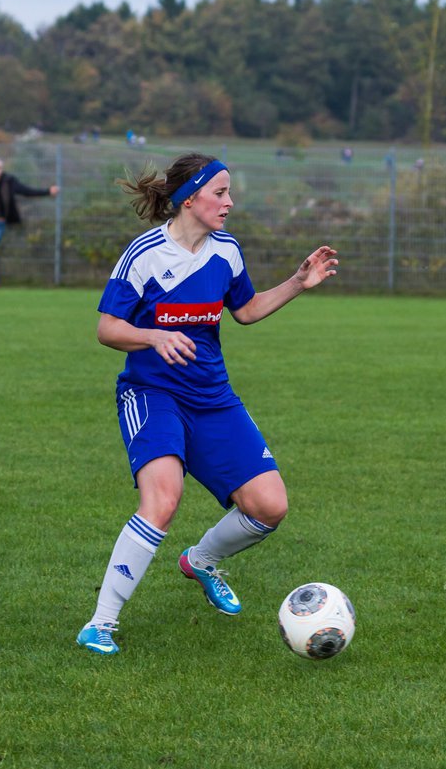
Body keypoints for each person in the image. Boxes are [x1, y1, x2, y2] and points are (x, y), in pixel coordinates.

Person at [76, 153, 339, 656]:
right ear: (190, 197)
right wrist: (154, 337)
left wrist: (297, 284)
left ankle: (200, 560)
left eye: (229, 191)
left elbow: (245, 310)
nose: (229, 201)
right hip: (152, 395)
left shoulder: (227, 252)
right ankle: (101, 623)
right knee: (163, 500)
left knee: (269, 507)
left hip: (213, 397)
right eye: (220, 192)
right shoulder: (144, 254)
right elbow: (107, 329)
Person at [0, 157, 59, 287]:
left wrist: (47, 191)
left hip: (0, 224)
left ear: (2, 169)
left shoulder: (10, 182)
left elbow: (27, 191)